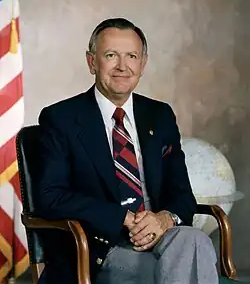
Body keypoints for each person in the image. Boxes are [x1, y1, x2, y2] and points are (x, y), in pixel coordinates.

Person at [35, 18, 218, 284]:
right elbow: (49, 197)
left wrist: (165, 220)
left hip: (162, 238)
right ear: (91, 62)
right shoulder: (61, 118)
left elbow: (183, 196)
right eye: (111, 55)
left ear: (142, 64)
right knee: (181, 268)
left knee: (195, 240)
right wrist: (123, 218)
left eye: (131, 56)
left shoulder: (160, 115)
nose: (122, 66)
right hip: (101, 250)